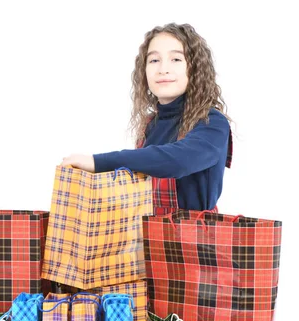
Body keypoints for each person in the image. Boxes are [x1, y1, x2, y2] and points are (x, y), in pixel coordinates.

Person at [61, 23, 233, 211]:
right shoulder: (150, 125)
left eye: (176, 59)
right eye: (154, 60)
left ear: (195, 68)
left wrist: (97, 162)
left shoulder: (212, 122)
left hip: (192, 238)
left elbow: (177, 161)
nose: (163, 69)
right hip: (147, 236)